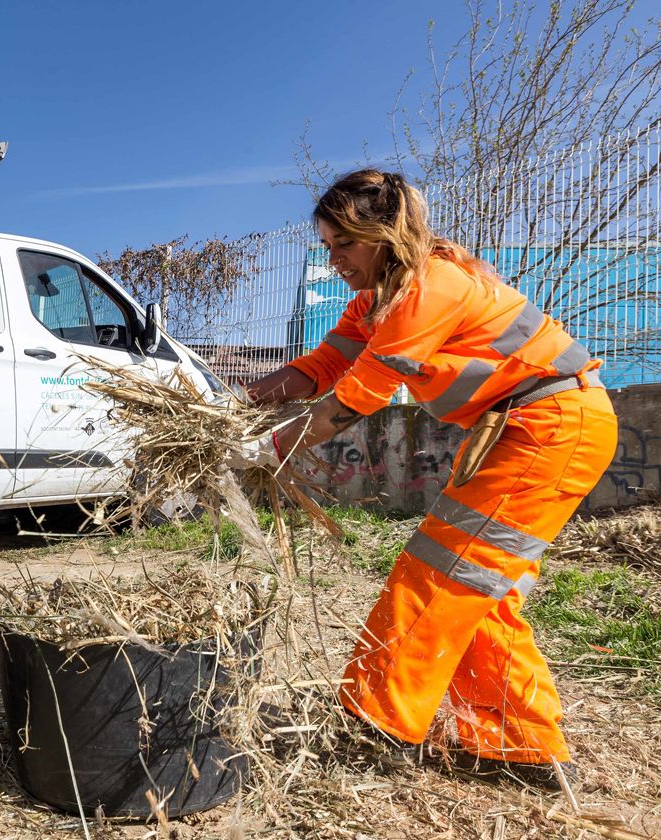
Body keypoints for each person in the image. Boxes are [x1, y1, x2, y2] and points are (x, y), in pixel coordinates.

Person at [232, 169, 617, 790]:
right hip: (529, 426)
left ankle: (375, 727)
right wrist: (233, 406)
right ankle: (517, 742)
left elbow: (351, 402)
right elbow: (323, 366)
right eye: (327, 247)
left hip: (551, 426)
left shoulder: (427, 290)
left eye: (344, 245)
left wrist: (266, 449)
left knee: (437, 574)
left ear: (385, 235)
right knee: (476, 584)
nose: (334, 262)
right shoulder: (378, 301)